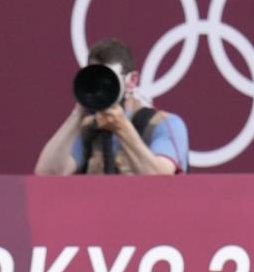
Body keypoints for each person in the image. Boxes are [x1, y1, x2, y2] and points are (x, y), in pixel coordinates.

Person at [34, 38, 188, 175]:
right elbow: (47, 174)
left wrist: (122, 128)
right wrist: (78, 113)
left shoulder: (163, 124)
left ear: (132, 80)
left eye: (110, 78)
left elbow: (163, 182)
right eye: (95, 79)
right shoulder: (89, 128)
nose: (103, 86)